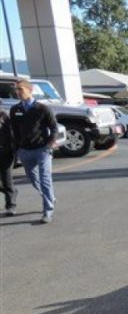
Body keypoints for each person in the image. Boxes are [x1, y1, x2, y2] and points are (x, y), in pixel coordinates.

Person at [10, 80, 58, 224]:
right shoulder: (15, 109)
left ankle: (48, 211)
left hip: (42, 150)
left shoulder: (43, 109)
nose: (18, 92)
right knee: (33, 178)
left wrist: (49, 145)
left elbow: (54, 128)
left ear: (30, 90)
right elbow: (14, 131)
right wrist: (17, 148)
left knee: (45, 179)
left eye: (20, 89)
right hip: (25, 151)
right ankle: (50, 197)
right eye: (16, 90)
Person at [0, 110, 17, 216]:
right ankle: (12, 191)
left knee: (7, 179)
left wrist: (13, 150)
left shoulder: (4, 116)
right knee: (7, 185)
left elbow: (12, 135)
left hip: (5, 152)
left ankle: (10, 205)